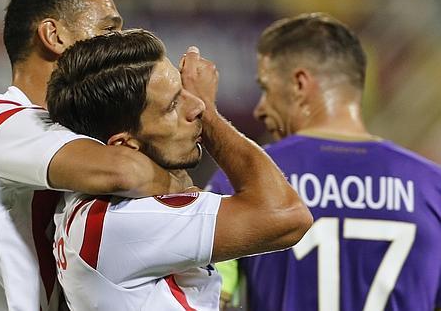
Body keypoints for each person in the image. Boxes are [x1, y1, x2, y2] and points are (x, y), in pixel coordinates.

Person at [0, 0, 191, 310]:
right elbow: (125, 173)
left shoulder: (72, 134)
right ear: (53, 36)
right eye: (108, 30)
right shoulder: (2, 121)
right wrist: (180, 182)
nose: (117, 44)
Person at [46, 29, 313, 310]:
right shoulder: (121, 224)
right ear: (125, 144)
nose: (196, 105)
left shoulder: (88, 204)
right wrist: (210, 116)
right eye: (172, 105)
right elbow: (287, 216)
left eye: (182, 90)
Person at [207, 13, 441, 311]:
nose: (259, 109)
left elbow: (210, 300)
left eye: (265, 88)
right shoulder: (433, 188)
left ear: (300, 84)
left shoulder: (242, 178)